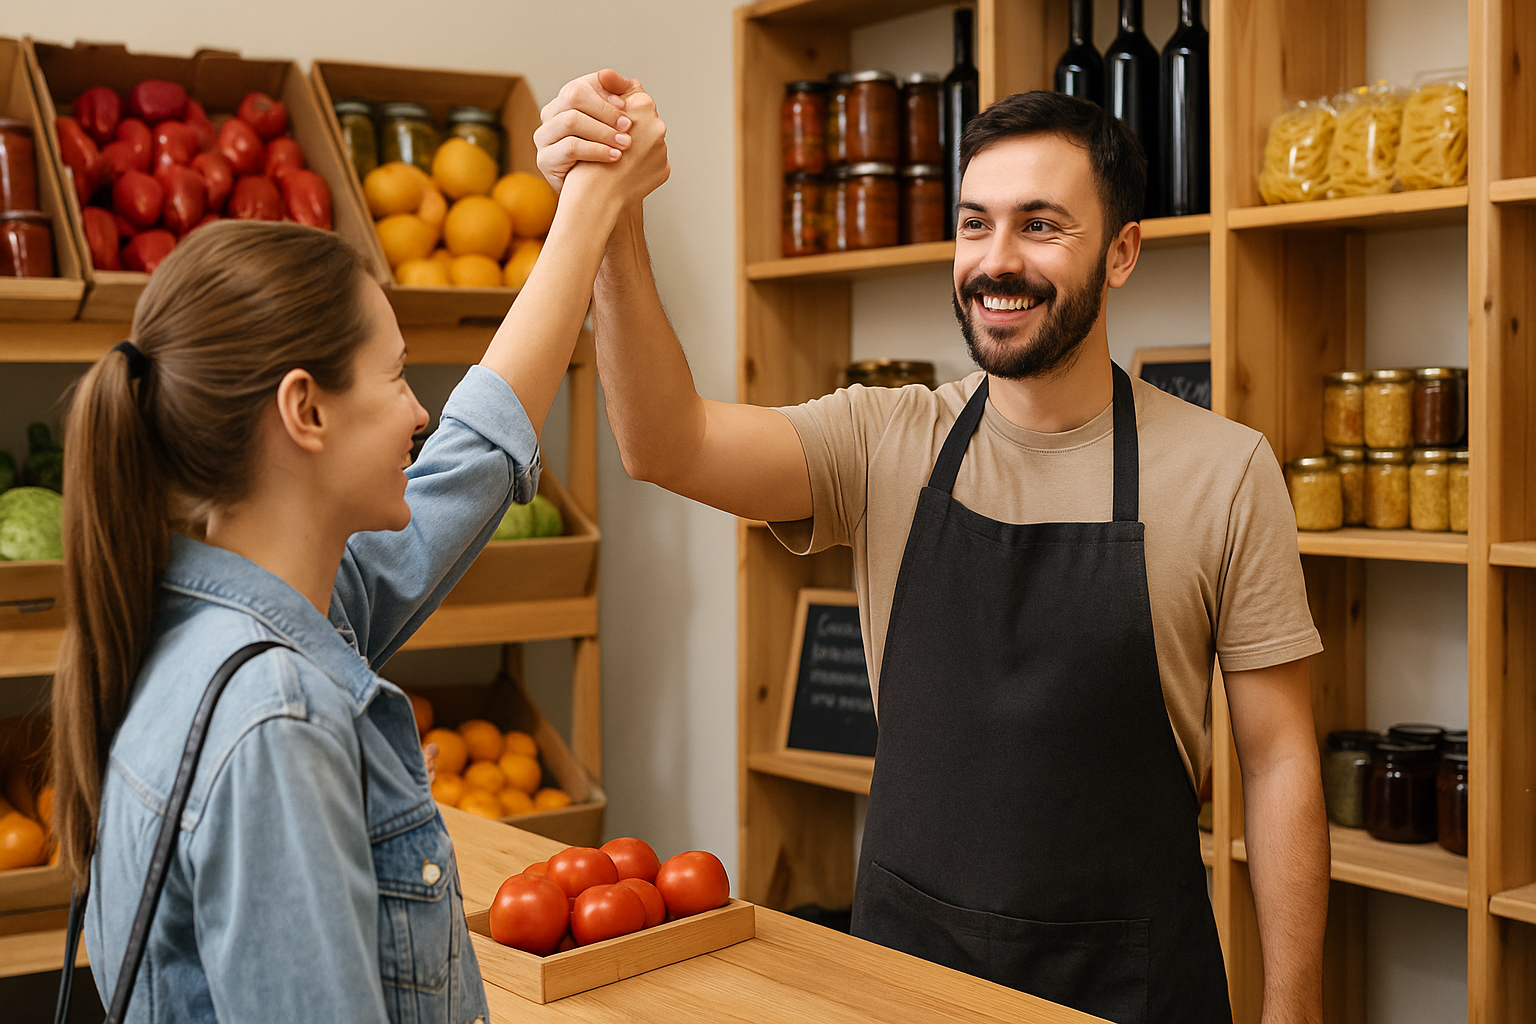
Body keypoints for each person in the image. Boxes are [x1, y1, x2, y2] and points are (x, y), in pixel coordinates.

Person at [537, 76, 1329, 1024]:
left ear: (1121, 253)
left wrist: (1294, 1014)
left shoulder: (1226, 472)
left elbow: (1280, 763)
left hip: (1129, 986)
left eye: (1041, 226)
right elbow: (663, 444)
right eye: (974, 224)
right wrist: (613, 213)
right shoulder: (885, 440)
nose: (996, 262)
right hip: (905, 978)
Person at [50, 89, 666, 1023]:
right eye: (394, 377)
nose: (420, 410)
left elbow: (470, 458)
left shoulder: (208, 620)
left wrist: (589, 208)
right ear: (306, 411)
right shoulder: (276, 722)